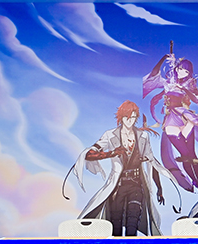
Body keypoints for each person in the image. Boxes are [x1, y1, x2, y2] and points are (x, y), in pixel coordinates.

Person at [71, 101, 176, 237]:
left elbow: (152, 161)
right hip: (117, 186)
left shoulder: (143, 136)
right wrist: (111, 153)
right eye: (127, 117)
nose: (130, 121)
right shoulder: (110, 135)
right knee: (116, 226)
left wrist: (159, 188)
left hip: (137, 184)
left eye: (133, 117)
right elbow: (90, 154)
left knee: (133, 223)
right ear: (121, 117)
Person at [143, 44, 198, 196]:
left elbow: (196, 100)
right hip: (171, 120)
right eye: (180, 69)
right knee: (185, 155)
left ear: (189, 73)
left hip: (185, 118)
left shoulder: (188, 85)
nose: (182, 72)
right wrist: (163, 58)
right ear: (176, 68)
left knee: (191, 154)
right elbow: (154, 75)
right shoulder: (168, 82)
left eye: (186, 71)